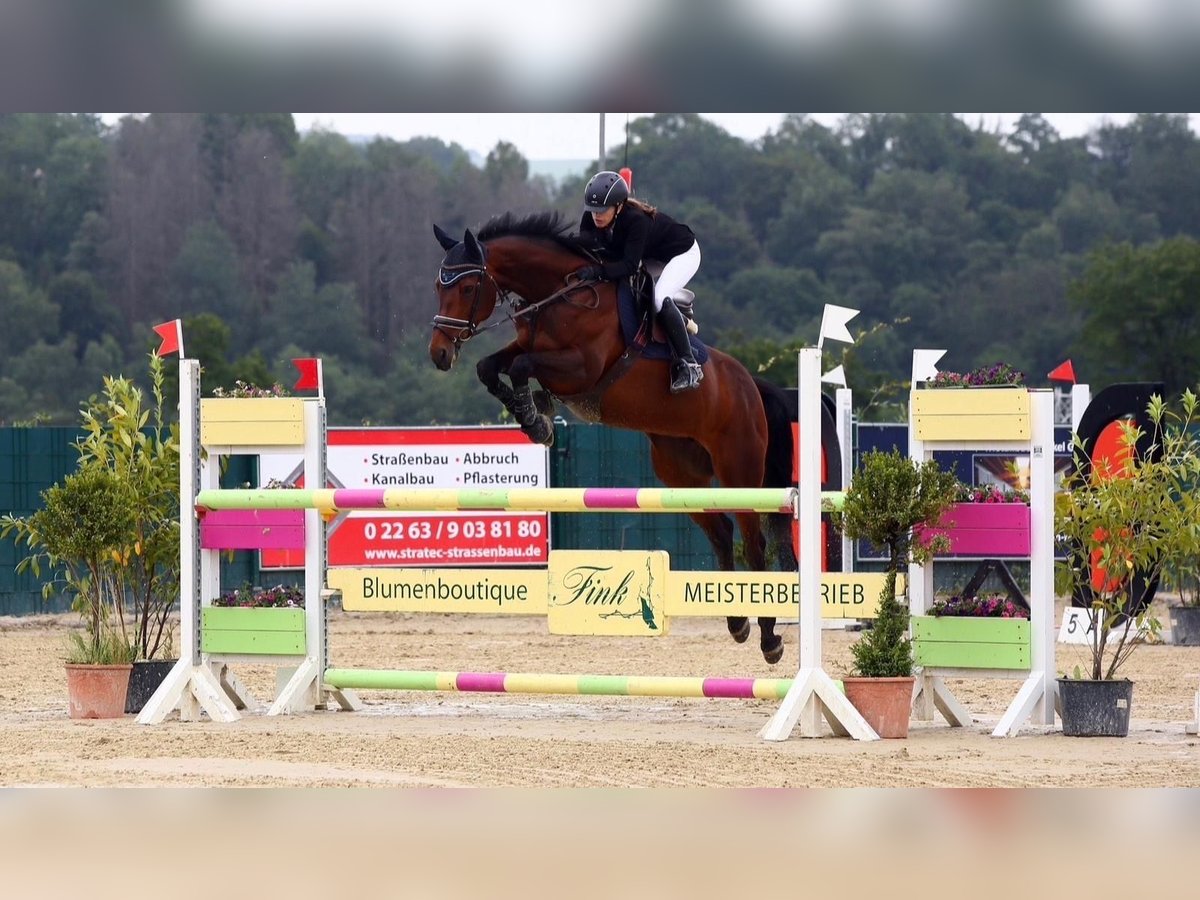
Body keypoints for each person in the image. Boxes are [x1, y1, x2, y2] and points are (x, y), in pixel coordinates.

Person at [575, 170, 703, 393]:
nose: (596, 216)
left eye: (602, 210)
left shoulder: (636, 221)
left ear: (618, 206)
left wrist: (597, 272)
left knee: (659, 298)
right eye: (593, 210)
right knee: (632, 289)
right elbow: (586, 246)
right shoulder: (592, 218)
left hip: (682, 253)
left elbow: (628, 266)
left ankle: (689, 364)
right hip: (650, 254)